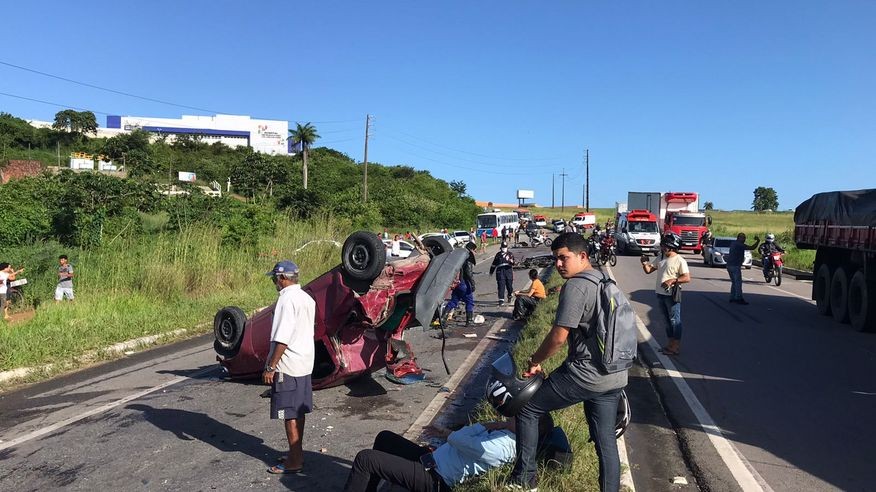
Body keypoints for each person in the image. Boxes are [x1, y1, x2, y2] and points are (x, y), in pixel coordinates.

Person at [509, 232, 628, 492]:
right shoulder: (604, 280)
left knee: (527, 407)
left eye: (564, 258)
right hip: (615, 374)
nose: (559, 264)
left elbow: (558, 338)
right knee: (606, 440)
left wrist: (534, 360)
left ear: (582, 256)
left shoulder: (576, 286)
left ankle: (524, 481)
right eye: (556, 259)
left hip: (587, 375)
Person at [343, 414, 555, 492]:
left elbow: (460, 440)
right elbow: (463, 435)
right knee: (384, 438)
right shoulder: (506, 433)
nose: (517, 414)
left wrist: (446, 433)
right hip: (432, 461)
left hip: (435, 479)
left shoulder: (505, 447)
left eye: (522, 417)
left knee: (365, 459)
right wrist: (496, 424)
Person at [263, 260, 317, 475]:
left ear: (282, 278)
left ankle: (294, 461)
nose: (274, 283)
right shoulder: (306, 298)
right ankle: (297, 454)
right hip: (304, 363)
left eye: (274, 279)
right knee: (298, 411)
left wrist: (271, 366)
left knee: (289, 414)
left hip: (288, 365)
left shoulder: (286, 300)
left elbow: (282, 339)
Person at [641, 232, 691, 355]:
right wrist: (644, 263)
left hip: (671, 295)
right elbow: (648, 270)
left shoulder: (679, 260)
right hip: (660, 294)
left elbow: (687, 278)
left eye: (664, 245)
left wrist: (672, 280)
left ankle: (675, 347)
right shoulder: (661, 257)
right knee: (666, 321)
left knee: (675, 321)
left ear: (671, 246)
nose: (662, 247)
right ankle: (670, 345)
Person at [442, 242, 477, 326]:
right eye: (475, 250)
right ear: (472, 249)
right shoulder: (468, 257)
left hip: (456, 283)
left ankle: (443, 318)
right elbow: (468, 272)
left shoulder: (458, 257)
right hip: (464, 283)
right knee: (469, 301)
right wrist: (472, 284)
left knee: (454, 301)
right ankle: (469, 321)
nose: (475, 253)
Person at [725, 233, 760, 304]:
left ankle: (732, 297)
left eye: (744, 238)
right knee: (738, 282)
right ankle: (739, 298)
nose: (744, 239)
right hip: (735, 266)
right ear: (738, 238)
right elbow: (752, 247)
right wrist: (758, 241)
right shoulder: (739, 245)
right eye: (743, 238)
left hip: (729, 265)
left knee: (734, 282)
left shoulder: (733, 243)